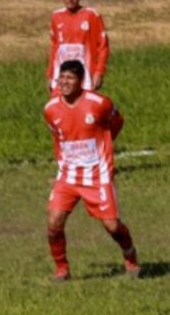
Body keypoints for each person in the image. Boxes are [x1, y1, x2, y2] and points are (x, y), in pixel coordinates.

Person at [43, 60, 139, 281]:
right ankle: (62, 269)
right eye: (61, 78)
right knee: (54, 222)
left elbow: (117, 122)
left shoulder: (99, 103)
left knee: (112, 226)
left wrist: (104, 145)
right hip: (68, 176)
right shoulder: (50, 109)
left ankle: (130, 255)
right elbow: (57, 136)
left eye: (70, 78)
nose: (64, 82)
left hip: (98, 175)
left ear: (81, 81)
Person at [46, 0, 110, 95]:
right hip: (61, 77)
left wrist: (99, 72)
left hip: (85, 78)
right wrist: (50, 74)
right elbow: (54, 48)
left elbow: (103, 47)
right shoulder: (56, 16)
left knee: (84, 106)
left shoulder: (91, 15)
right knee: (59, 106)